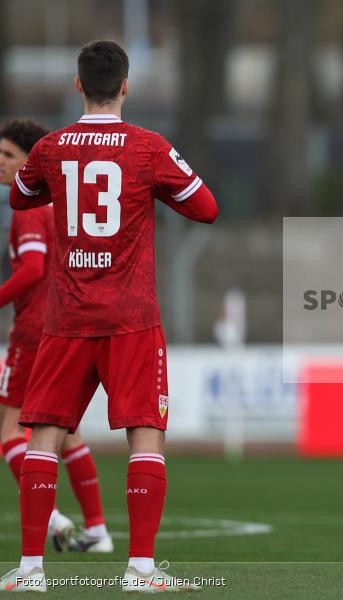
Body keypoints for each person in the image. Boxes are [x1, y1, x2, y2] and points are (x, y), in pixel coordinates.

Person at [1, 40, 218, 593]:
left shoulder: (51, 148)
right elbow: (206, 208)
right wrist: (154, 192)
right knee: (146, 438)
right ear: (126, 86)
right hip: (131, 318)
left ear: (78, 85)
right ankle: (140, 571)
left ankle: (30, 571)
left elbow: (22, 196)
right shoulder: (149, 148)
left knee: (42, 435)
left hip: (67, 317)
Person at [0, 118, 113, 554]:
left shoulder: (27, 208)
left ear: (32, 161)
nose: (2, 163)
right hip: (64, 325)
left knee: (11, 432)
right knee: (66, 432)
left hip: (34, 331)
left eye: (9, 155)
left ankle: (53, 520)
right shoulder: (58, 204)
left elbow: (31, 268)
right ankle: (98, 530)